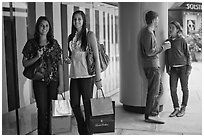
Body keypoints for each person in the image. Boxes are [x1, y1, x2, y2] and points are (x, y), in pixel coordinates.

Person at [22, 16, 64, 134]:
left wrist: (61, 84)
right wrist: (37, 56)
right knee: (42, 110)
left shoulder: (54, 44)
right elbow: (24, 63)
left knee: (51, 110)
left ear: (49, 28)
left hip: (53, 81)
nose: (44, 28)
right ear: (37, 27)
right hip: (39, 81)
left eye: (46, 26)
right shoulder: (31, 44)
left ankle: (51, 133)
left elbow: (59, 64)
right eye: (42, 25)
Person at [65, 10, 102, 135]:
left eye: (79, 19)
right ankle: (83, 130)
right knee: (74, 104)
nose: (77, 21)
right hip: (74, 76)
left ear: (84, 20)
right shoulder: (71, 37)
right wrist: (68, 60)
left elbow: (96, 57)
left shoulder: (89, 35)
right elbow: (73, 56)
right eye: (75, 19)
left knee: (87, 106)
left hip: (87, 76)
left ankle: (88, 132)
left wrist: (98, 79)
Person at [140, 11, 171, 124]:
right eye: (157, 19)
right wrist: (164, 48)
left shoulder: (148, 32)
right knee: (153, 91)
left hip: (153, 66)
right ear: (153, 20)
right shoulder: (147, 33)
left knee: (160, 90)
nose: (158, 21)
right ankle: (150, 115)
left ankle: (153, 112)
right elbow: (149, 52)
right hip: (152, 66)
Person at [166, 21, 192, 117]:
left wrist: (189, 67)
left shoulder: (182, 40)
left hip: (183, 68)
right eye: (169, 27)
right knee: (173, 89)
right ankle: (176, 108)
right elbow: (166, 55)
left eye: (172, 28)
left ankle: (183, 107)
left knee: (184, 88)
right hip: (173, 69)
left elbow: (188, 54)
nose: (170, 29)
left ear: (177, 30)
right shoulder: (167, 41)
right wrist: (167, 67)